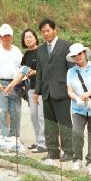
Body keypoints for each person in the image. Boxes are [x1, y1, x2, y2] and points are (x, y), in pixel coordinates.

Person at [65, 43, 91, 176]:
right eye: (74, 55)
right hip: (78, 107)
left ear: (84, 53)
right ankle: (77, 158)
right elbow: (69, 91)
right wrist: (76, 98)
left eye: (80, 54)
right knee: (76, 133)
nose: (78, 57)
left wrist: (88, 94)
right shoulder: (71, 72)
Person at [35, 18, 74, 164]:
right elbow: (39, 71)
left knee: (64, 122)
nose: (45, 34)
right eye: (43, 32)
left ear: (54, 30)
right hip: (46, 92)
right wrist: (37, 91)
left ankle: (69, 151)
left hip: (62, 90)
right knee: (49, 123)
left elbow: (71, 70)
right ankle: (52, 151)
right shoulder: (41, 49)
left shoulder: (66, 46)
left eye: (47, 31)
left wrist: (71, 89)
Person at [9, 29, 45, 152]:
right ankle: (38, 141)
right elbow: (22, 72)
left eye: (30, 36)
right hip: (31, 88)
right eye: (25, 38)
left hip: (42, 88)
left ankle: (44, 144)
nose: (28, 39)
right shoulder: (26, 55)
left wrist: (34, 72)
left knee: (41, 116)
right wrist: (11, 85)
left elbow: (47, 69)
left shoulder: (42, 51)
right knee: (33, 116)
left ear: (35, 38)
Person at [0, 24, 23, 138]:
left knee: (16, 112)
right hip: (1, 83)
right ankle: (3, 138)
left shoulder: (17, 50)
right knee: (2, 111)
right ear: (0, 37)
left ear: (12, 36)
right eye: (4, 36)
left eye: (8, 35)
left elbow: (21, 68)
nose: (6, 38)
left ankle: (14, 137)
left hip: (15, 84)